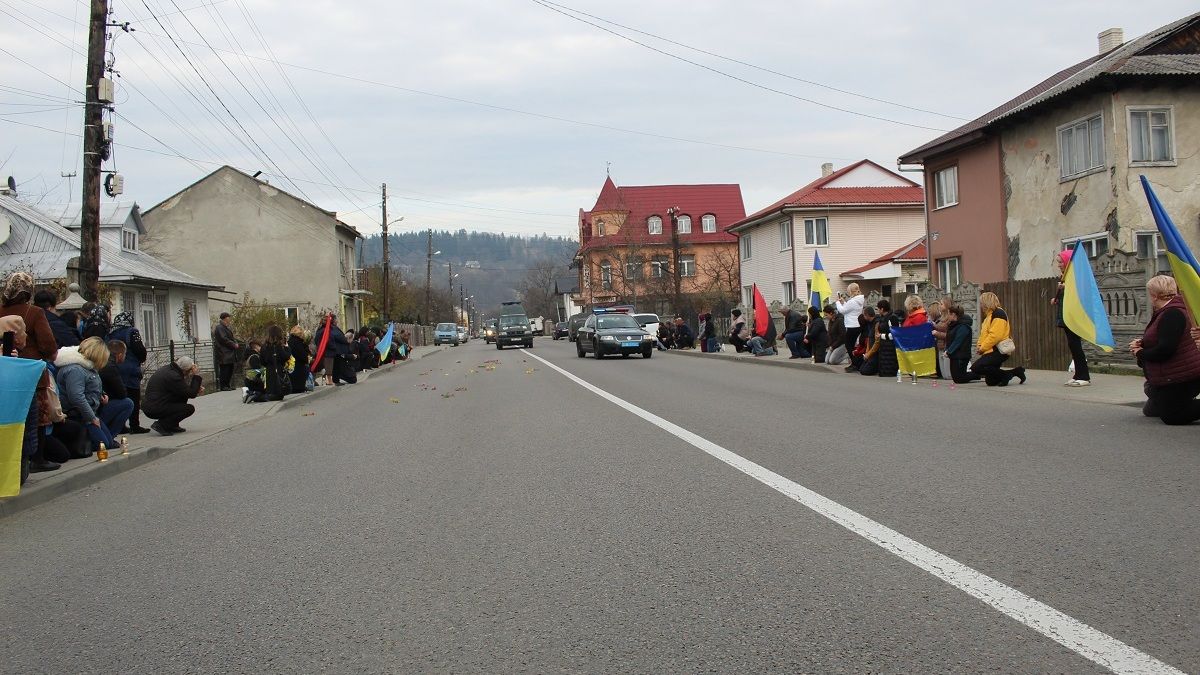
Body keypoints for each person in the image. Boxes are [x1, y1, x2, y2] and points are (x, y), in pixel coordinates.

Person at [2, 272, 60, 474]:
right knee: (39, 414)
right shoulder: (35, 313)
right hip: (31, 371)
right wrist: (49, 354)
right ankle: (37, 458)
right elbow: (48, 343)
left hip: (5, 370)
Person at [1132, 275, 1200, 425]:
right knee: (1151, 410)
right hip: (1172, 374)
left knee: (1172, 416)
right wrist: (1142, 343)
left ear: (1154, 296)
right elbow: (1164, 337)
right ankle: (1158, 392)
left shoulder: (1172, 313)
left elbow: (1166, 349)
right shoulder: (1170, 310)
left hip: (1184, 375)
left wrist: (1140, 352)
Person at [55, 337, 133, 452]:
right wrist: (92, 418)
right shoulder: (75, 370)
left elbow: (93, 385)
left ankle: (101, 437)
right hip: (80, 416)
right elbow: (76, 397)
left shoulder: (88, 367)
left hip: (90, 412)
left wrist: (102, 394)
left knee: (108, 443)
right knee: (103, 445)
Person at [962, 291, 1026, 386]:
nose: (981, 305)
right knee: (991, 382)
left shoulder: (998, 314)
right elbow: (983, 335)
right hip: (990, 350)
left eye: (982, 303)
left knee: (976, 367)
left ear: (987, 302)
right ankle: (1016, 371)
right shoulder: (989, 316)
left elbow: (995, 336)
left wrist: (982, 347)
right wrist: (979, 346)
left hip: (998, 351)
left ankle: (1006, 375)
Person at [1052, 249, 1091, 387]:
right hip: (1066, 316)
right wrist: (1056, 299)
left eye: (1060, 262)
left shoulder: (1075, 278)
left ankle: (1084, 376)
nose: (1059, 265)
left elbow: (1078, 295)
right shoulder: (1065, 276)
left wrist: (1066, 288)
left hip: (1073, 317)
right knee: (1072, 346)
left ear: (1067, 262)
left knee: (1076, 345)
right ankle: (1078, 374)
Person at [106, 311, 149, 433]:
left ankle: (121, 425)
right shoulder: (132, 332)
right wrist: (141, 359)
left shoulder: (111, 333)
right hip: (130, 369)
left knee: (119, 396)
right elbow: (139, 349)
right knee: (134, 397)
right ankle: (135, 425)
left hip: (115, 368)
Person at [142, 356, 204, 435]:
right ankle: (162, 424)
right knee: (189, 408)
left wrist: (195, 389)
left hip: (154, 403)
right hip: (154, 407)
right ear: (185, 370)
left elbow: (183, 390)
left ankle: (172, 425)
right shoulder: (173, 376)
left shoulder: (170, 370)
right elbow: (191, 394)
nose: (190, 373)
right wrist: (196, 375)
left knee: (182, 397)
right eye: (190, 371)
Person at [944, 305, 975, 384]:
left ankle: (978, 374)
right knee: (956, 378)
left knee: (959, 378)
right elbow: (950, 339)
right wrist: (947, 350)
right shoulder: (954, 325)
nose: (947, 316)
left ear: (953, 315)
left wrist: (949, 351)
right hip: (955, 355)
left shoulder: (963, 326)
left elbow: (958, 341)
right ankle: (976, 374)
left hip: (961, 355)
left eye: (949, 314)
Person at [836, 283, 865, 363]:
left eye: (848, 291)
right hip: (857, 325)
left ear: (851, 291)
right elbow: (849, 310)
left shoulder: (852, 301)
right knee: (852, 345)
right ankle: (856, 362)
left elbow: (842, 311)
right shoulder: (859, 300)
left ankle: (855, 362)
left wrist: (838, 303)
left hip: (851, 326)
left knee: (849, 345)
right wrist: (844, 302)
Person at [212, 312, 239, 391]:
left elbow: (231, 338)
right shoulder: (220, 328)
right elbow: (224, 339)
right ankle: (223, 386)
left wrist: (235, 342)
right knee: (225, 369)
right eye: (228, 318)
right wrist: (233, 344)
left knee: (230, 368)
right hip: (224, 352)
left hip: (229, 352)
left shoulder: (225, 327)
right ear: (224, 318)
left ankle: (227, 385)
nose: (229, 320)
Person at [287, 325, 311, 394]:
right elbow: (303, 356)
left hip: (291, 366)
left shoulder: (290, 341)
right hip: (299, 366)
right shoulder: (298, 342)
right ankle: (299, 388)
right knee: (298, 384)